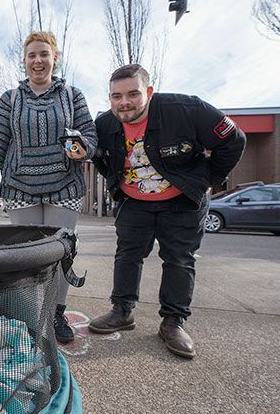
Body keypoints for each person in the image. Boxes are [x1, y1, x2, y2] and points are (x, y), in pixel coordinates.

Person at [90, 64, 246, 358]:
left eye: (133, 94)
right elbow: (100, 157)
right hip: (134, 202)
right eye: (116, 96)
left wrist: (209, 180)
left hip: (181, 200)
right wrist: (117, 185)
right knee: (127, 255)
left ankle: (173, 322)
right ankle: (122, 311)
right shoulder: (104, 124)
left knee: (179, 259)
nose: (124, 102)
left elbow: (233, 140)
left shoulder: (187, 109)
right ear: (109, 98)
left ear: (149, 92)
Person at [0, 31, 97, 344]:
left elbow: (89, 135)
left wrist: (83, 148)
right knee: (27, 257)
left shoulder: (73, 96)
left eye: (44, 54)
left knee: (60, 254)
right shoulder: (10, 99)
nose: (38, 60)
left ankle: (56, 313)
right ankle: (29, 315)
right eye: (31, 55)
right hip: (21, 189)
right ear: (24, 61)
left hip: (65, 189)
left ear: (55, 58)